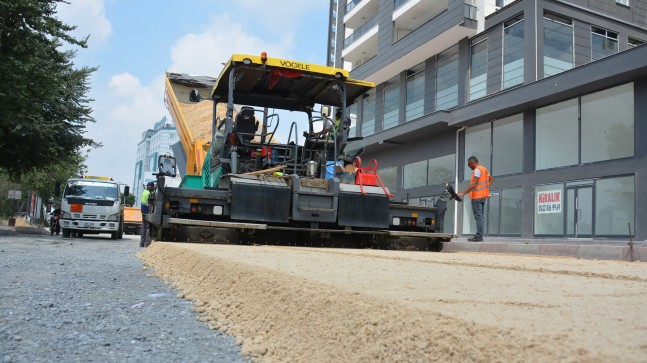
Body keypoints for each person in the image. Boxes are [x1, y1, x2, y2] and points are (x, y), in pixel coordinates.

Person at [458, 156, 493, 242]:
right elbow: (491, 180)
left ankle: (479, 236)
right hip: (483, 196)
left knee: (478, 217)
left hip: (477, 197)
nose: (468, 166)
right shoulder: (484, 169)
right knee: (480, 216)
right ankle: (480, 235)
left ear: (472, 163)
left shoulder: (477, 170)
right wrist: (486, 188)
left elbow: (474, 184)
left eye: (469, 164)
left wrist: (463, 193)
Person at [140, 182, 154, 247]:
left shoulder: (144, 191)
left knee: (143, 227)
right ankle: (147, 243)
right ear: (151, 187)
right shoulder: (150, 193)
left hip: (143, 211)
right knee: (148, 227)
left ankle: (142, 243)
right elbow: (152, 203)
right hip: (148, 212)